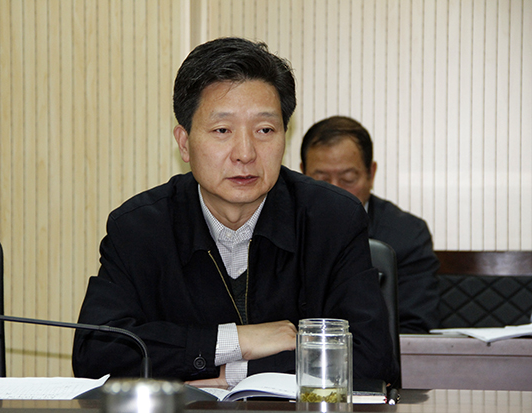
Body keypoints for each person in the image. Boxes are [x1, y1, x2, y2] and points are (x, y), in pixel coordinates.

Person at [72, 37, 399, 388]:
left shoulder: (332, 219)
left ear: (284, 137)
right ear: (184, 142)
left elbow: (370, 360)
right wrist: (237, 341)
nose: (245, 153)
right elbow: (97, 354)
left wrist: (232, 374)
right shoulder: (139, 228)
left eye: (264, 130)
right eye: (222, 130)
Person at [300, 115, 440, 333]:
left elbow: (415, 328)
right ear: (303, 174)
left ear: (370, 174)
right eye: (321, 180)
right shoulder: (279, 228)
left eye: (347, 179)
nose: (334, 191)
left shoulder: (407, 234)